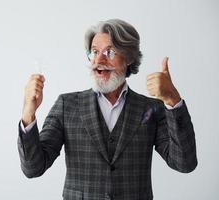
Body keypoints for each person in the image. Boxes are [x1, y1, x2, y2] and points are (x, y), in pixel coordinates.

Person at [17, 19, 197, 200]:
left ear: (129, 58)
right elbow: (33, 168)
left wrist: (172, 99)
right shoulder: (67, 105)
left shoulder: (151, 109)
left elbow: (184, 163)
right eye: (94, 52)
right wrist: (28, 112)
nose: (99, 60)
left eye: (109, 52)